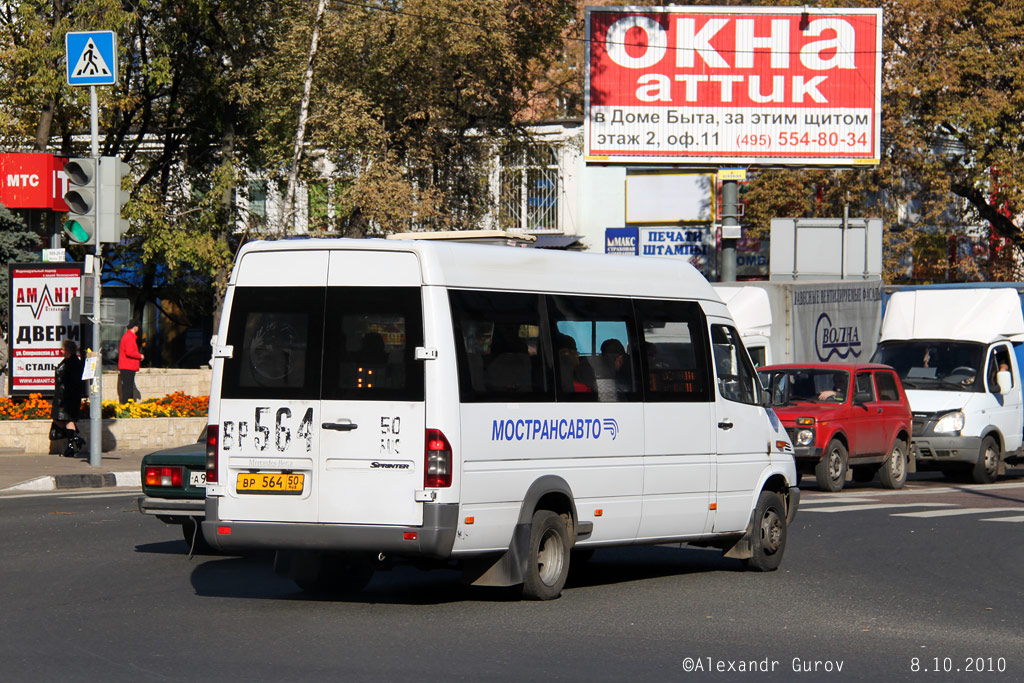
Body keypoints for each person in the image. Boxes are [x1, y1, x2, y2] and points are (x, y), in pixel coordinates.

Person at [52, 339, 85, 458]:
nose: (61, 351)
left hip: (68, 396)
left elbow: (74, 381)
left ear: (68, 350)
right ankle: (75, 439)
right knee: (61, 419)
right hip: (62, 396)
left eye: (63, 349)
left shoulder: (74, 363)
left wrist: (68, 393)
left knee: (67, 419)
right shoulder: (66, 361)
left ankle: (72, 444)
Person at [118, 319, 144, 403]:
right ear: (135, 327)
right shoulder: (129, 337)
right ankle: (126, 407)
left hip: (127, 367)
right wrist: (140, 356)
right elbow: (130, 352)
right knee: (127, 390)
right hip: (128, 367)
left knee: (127, 388)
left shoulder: (127, 336)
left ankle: (127, 406)